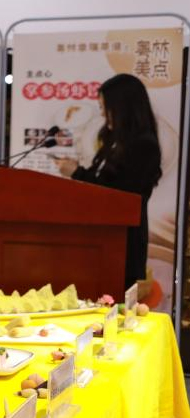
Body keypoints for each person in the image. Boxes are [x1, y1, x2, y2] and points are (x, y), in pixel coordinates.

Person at [53, 73, 162, 291]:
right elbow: (101, 182)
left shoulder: (144, 146)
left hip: (122, 243)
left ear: (123, 107)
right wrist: (78, 172)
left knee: (114, 302)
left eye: (105, 108)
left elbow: (121, 196)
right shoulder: (113, 140)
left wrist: (77, 173)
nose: (102, 114)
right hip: (99, 237)